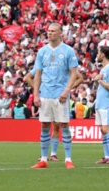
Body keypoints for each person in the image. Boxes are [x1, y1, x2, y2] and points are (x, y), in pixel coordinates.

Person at [32, 23, 78, 169]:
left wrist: (66, 91)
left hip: (61, 95)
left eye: (53, 31)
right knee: (45, 125)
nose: (49, 33)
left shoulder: (68, 51)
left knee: (64, 125)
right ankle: (44, 159)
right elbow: (37, 74)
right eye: (48, 31)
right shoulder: (42, 51)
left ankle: (68, 159)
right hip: (45, 94)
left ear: (60, 33)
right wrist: (36, 94)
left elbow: (74, 74)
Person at [25, 67, 82, 161]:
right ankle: (45, 155)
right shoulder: (43, 63)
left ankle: (53, 154)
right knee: (46, 125)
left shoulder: (65, 63)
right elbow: (27, 77)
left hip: (60, 97)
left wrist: (66, 90)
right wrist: (39, 90)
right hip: (46, 96)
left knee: (58, 125)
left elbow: (80, 78)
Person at [93, 46, 109, 164]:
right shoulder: (103, 70)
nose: (97, 55)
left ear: (103, 54)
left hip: (107, 103)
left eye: (98, 52)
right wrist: (97, 80)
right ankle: (107, 156)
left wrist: (100, 80)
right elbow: (99, 87)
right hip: (100, 103)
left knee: (106, 129)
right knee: (102, 130)